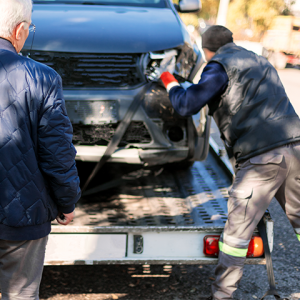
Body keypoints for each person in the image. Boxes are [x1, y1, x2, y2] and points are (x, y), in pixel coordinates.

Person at [157, 25, 300, 299]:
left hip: (263, 157)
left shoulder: (219, 65)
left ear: (207, 50)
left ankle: (221, 295)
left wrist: (168, 79)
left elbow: (187, 105)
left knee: (236, 235)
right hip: (295, 146)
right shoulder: (259, 60)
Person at [0, 0, 81, 298]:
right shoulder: (43, 78)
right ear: (19, 30)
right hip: (23, 216)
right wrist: (67, 202)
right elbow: (57, 153)